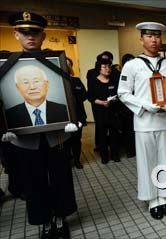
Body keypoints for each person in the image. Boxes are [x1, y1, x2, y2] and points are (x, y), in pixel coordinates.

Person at [2, 11, 79, 239]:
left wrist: (72, 118)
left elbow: (70, 91)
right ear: (16, 34)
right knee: (34, 183)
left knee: (61, 179)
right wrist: (4, 127)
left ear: (43, 35)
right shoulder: (7, 66)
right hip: (25, 138)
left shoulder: (57, 62)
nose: (30, 37)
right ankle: (44, 222)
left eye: (35, 32)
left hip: (57, 136)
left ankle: (60, 217)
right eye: (25, 33)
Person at [118, 22, 166, 220]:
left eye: (157, 36)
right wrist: (144, 105)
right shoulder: (132, 65)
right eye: (149, 36)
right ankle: (151, 199)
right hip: (144, 121)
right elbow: (123, 93)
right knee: (147, 162)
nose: (154, 40)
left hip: (164, 121)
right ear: (141, 39)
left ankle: (163, 197)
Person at [88, 59, 120, 164]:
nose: (108, 69)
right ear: (99, 68)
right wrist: (102, 103)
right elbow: (90, 97)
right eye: (104, 67)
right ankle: (104, 156)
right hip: (100, 112)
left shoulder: (113, 81)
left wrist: (114, 99)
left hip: (113, 112)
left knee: (114, 134)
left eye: (109, 67)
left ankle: (115, 155)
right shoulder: (94, 81)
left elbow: (118, 94)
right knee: (102, 135)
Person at [66, 57, 87, 169]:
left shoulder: (76, 81)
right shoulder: (57, 82)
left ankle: (77, 160)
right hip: (64, 117)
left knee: (76, 139)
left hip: (78, 115)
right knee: (66, 140)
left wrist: (74, 98)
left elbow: (84, 95)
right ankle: (67, 158)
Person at [118, 53, 136, 158]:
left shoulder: (137, 74)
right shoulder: (120, 75)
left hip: (137, 108)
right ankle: (130, 151)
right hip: (125, 108)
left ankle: (136, 150)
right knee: (128, 130)